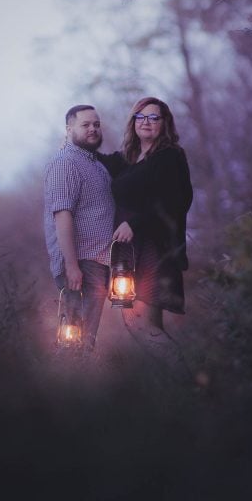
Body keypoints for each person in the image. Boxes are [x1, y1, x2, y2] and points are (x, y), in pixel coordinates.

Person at [110, 96, 193, 334]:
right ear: (133, 122)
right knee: (140, 325)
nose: (146, 122)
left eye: (153, 117)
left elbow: (176, 201)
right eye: (141, 116)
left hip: (155, 249)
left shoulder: (170, 156)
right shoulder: (131, 160)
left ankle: (187, 372)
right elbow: (100, 161)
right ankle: (176, 372)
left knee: (143, 326)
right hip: (130, 252)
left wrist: (134, 223)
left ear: (164, 123)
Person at [43, 104, 116, 350]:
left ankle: (80, 380)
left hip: (97, 261)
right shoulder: (66, 163)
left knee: (87, 335)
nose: (93, 129)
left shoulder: (95, 164)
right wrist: (72, 266)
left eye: (96, 124)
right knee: (75, 337)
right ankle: (72, 384)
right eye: (85, 125)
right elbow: (62, 216)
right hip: (80, 264)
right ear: (69, 129)